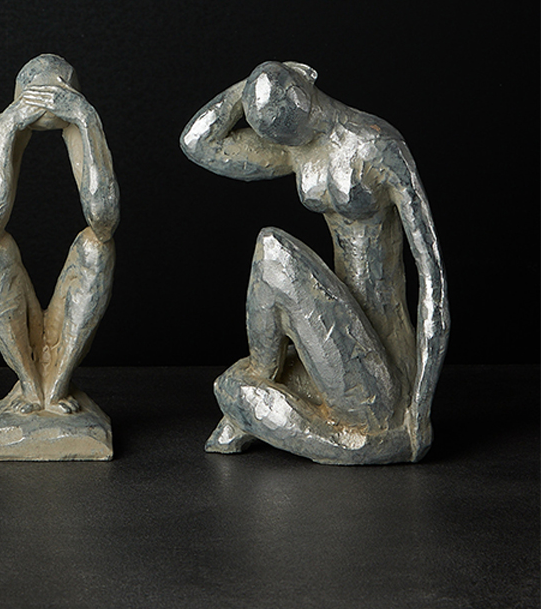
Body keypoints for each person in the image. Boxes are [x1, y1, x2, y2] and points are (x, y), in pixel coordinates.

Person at [180, 61, 449, 464]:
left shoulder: (378, 145)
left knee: (272, 250)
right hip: (336, 338)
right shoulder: (298, 144)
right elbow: (199, 144)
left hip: (384, 366)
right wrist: (254, 86)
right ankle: (257, 387)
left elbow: (433, 278)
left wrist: (420, 409)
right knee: (235, 374)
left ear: (308, 77)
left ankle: (252, 398)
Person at [0, 54, 119, 415]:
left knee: (96, 247)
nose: (46, 104)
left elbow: (103, 222)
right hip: (18, 313)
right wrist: (6, 129)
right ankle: (29, 384)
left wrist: (86, 119)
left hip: (63, 327)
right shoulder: (8, 123)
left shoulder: (82, 117)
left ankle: (57, 384)